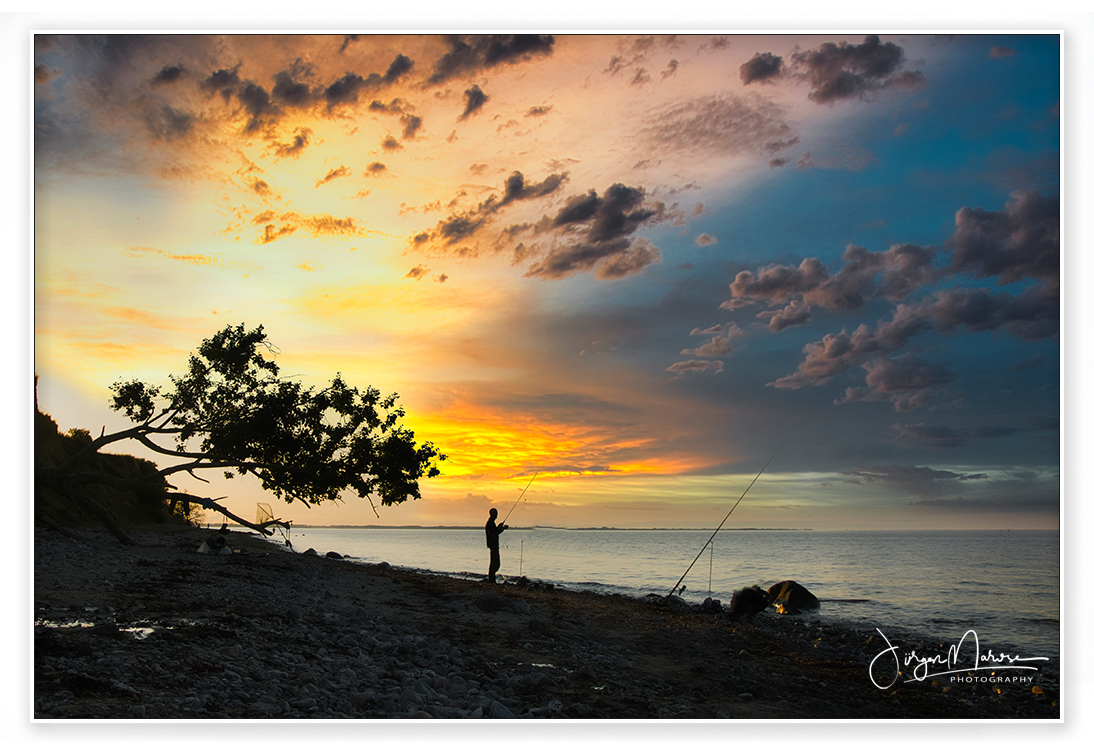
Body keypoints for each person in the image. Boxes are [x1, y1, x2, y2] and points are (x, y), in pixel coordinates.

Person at [484, 508, 508, 583]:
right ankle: (491, 580)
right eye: (496, 514)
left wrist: (500, 527)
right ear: (492, 514)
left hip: (493, 545)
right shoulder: (490, 523)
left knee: (495, 563)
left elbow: (495, 532)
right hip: (493, 545)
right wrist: (501, 528)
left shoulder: (491, 523)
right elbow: (494, 533)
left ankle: (492, 579)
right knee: (495, 563)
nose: (497, 515)